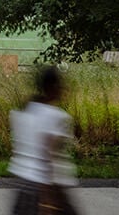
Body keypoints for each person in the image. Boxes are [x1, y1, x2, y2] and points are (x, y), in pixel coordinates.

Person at [8, 66, 80, 215]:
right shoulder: (56, 117)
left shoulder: (23, 112)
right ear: (52, 87)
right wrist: (48, 201)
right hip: (46, 189)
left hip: (24, 187)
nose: (63, 88)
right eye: (61, 84)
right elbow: (49, 157)